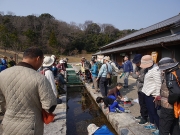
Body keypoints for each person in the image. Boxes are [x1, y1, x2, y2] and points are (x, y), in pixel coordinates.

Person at [0, 47, 57, 135]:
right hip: (31, 126)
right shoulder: (39, 78)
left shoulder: (2, 74)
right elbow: (50, 106)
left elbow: (1, 101)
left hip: (8, 124)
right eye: (42, 61)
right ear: (38, 59)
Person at [158, 57, 180, 135]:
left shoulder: (170, 74)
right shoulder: (177, 71)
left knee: (164, 128)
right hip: (175, 105)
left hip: (168, 106)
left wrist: (170, 100)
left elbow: (176, 92)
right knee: (174, 126)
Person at [140, 55, 161, 135]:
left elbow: (158, 83)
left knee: (153, 112)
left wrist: (157, 95)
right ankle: (152, 124)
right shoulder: (149, 69)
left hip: (152, 94)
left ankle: (160, 129)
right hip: (146, 92)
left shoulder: (155, 70)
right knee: (149, 110)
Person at [132, 54, 148, 125]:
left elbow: (144, 79)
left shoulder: (145, 68)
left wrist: (138, 75)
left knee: (144, 104)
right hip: (139, 88)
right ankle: (142, 115)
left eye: (137, 62)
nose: (136, 64)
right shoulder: (137, 67)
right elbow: (133, 75)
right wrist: (138, 75)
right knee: (141, 103)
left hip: (144, 88)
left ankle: (144, 118)